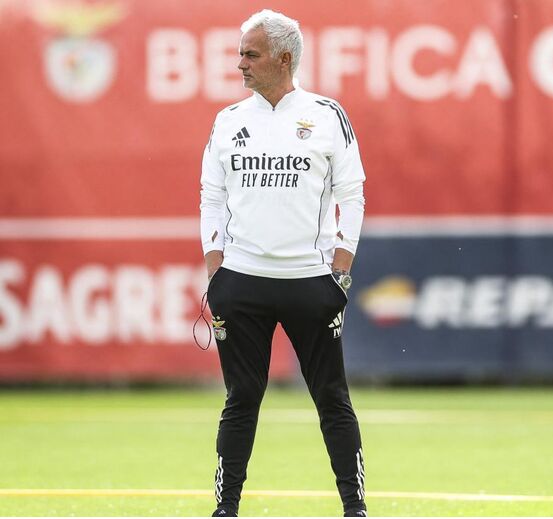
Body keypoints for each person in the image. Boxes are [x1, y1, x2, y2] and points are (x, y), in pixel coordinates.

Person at [199, 9, 367, 517]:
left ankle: (354, 508)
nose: (240, 65)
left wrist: (340, 269)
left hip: (309, 281)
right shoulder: (229, 121)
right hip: (242, 282)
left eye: (250, 54)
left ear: (283, 58)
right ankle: (225, 510)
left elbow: (352, 193)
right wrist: (215, 271)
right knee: (241, 398)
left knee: (331, 398)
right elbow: (210, 195)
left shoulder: (326, 114)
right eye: (240, 55)